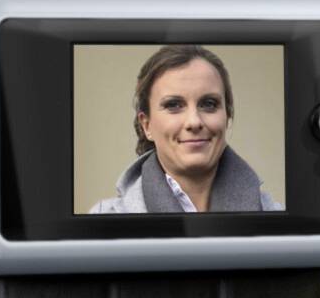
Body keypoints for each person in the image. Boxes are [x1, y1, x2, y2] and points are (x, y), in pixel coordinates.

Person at [89, 43, 284, 214]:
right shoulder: (101, 221)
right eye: (173, 105)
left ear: (227, 117)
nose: (194, 121)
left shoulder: (278, 219)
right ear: (146, 125)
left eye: (208, 104)